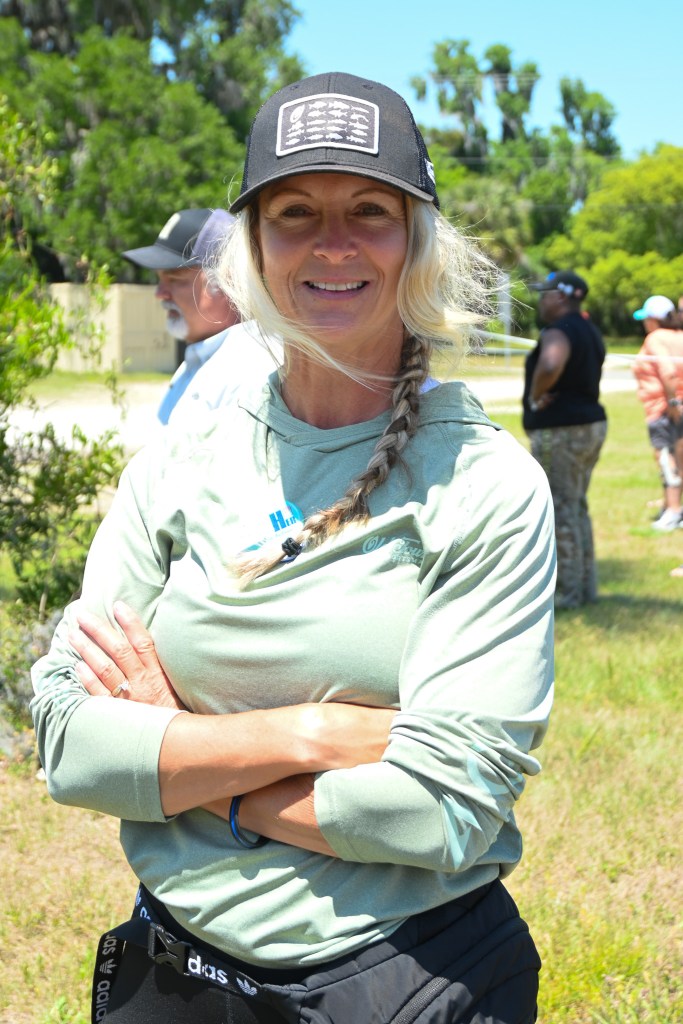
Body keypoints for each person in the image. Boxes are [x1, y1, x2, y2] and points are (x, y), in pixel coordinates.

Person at [32, 72, 555, 1024]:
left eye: (370, 210)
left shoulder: (485, 485)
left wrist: (179, 755)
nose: (333, 242)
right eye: (294, 212)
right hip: (174, 966)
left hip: (398, 974)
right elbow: (70, 745)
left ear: (417, 239)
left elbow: (443, 810)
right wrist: (305, 735)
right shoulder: (180, 462)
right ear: (254, 246)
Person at [122, 207, 278, 425]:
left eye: (174, 279)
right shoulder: (205, 356)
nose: (160, 293)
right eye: (160, 280)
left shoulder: (253, 371)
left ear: (229, 281)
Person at [522, 270, 607, 609]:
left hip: (561, 429)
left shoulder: (559, 331)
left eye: (545, 294)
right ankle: (585, 588)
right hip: (590, 424)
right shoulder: (589, 329)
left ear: (560, 296)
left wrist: (534, 396)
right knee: (576, 505)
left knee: (558, 507)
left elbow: (550, 364)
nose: (541, 301)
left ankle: (565, 594)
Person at [631, 295, 683, 532]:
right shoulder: (678, 336)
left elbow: (668, 371)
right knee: (678, 459)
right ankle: (671, 506)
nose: (644, 323)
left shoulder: (655, 338)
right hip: (676, 406)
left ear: (654, 319)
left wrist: (672, 403)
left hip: (664, 409)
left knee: (666, 458)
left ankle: (673, 512)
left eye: (646, 318)